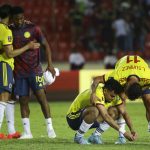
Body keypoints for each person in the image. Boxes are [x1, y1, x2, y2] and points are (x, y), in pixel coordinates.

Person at [8, 6, 56, 139]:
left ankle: (50, 128)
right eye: (17, 19)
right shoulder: (10, 30)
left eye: (21, 18)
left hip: (35, 71)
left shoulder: (34, 28)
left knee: (42, 98)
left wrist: (50, 64)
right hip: (19, 73)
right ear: (12, 19)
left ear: (24, 16)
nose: (20, 21)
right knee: (23, 101)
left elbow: (46, 45)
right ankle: (27, 132)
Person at [0, 4, 40, 139]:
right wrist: (27, 46)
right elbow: (10, 54)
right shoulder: (5, 30)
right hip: (4, 64)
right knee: (4, 97)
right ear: (10, 17)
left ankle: (11, 131)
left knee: (10, 96)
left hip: (5, 65)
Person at [66, 78, 136, 144]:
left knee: (114, 112)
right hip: (73, 118)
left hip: (86, 119)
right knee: (94, 110)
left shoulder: (114, 95)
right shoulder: (97, 93)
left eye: (114, 96)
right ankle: (78, 137)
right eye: (111, 96)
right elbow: (105, 116)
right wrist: (124, 132)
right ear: (105, 91)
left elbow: (124, 113)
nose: (113, 98)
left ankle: (95, 136)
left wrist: (132, 130)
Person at [91, 55, 150, 132]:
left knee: (148, 100)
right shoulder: (118, 76)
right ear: (126, 85)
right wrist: (93, 94)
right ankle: (120, 134)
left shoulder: (147, 77)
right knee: (122, 100)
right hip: (123, 64)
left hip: (141, 73)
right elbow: (96, 79)